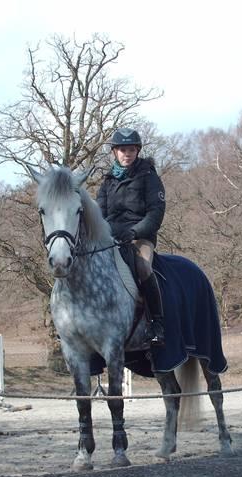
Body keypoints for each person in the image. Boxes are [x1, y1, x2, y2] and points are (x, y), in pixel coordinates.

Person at [96, 128, 166, 347]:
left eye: (131, 150)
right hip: (111, 238)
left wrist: (135, 232)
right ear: (114, 152)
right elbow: (99, 214)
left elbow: (156, 213)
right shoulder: (107, 181)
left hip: (139, 237)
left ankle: (157, 324)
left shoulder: (149, 177)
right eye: (123, 150)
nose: (127, 154)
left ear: (137, 151)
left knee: (144, 267)